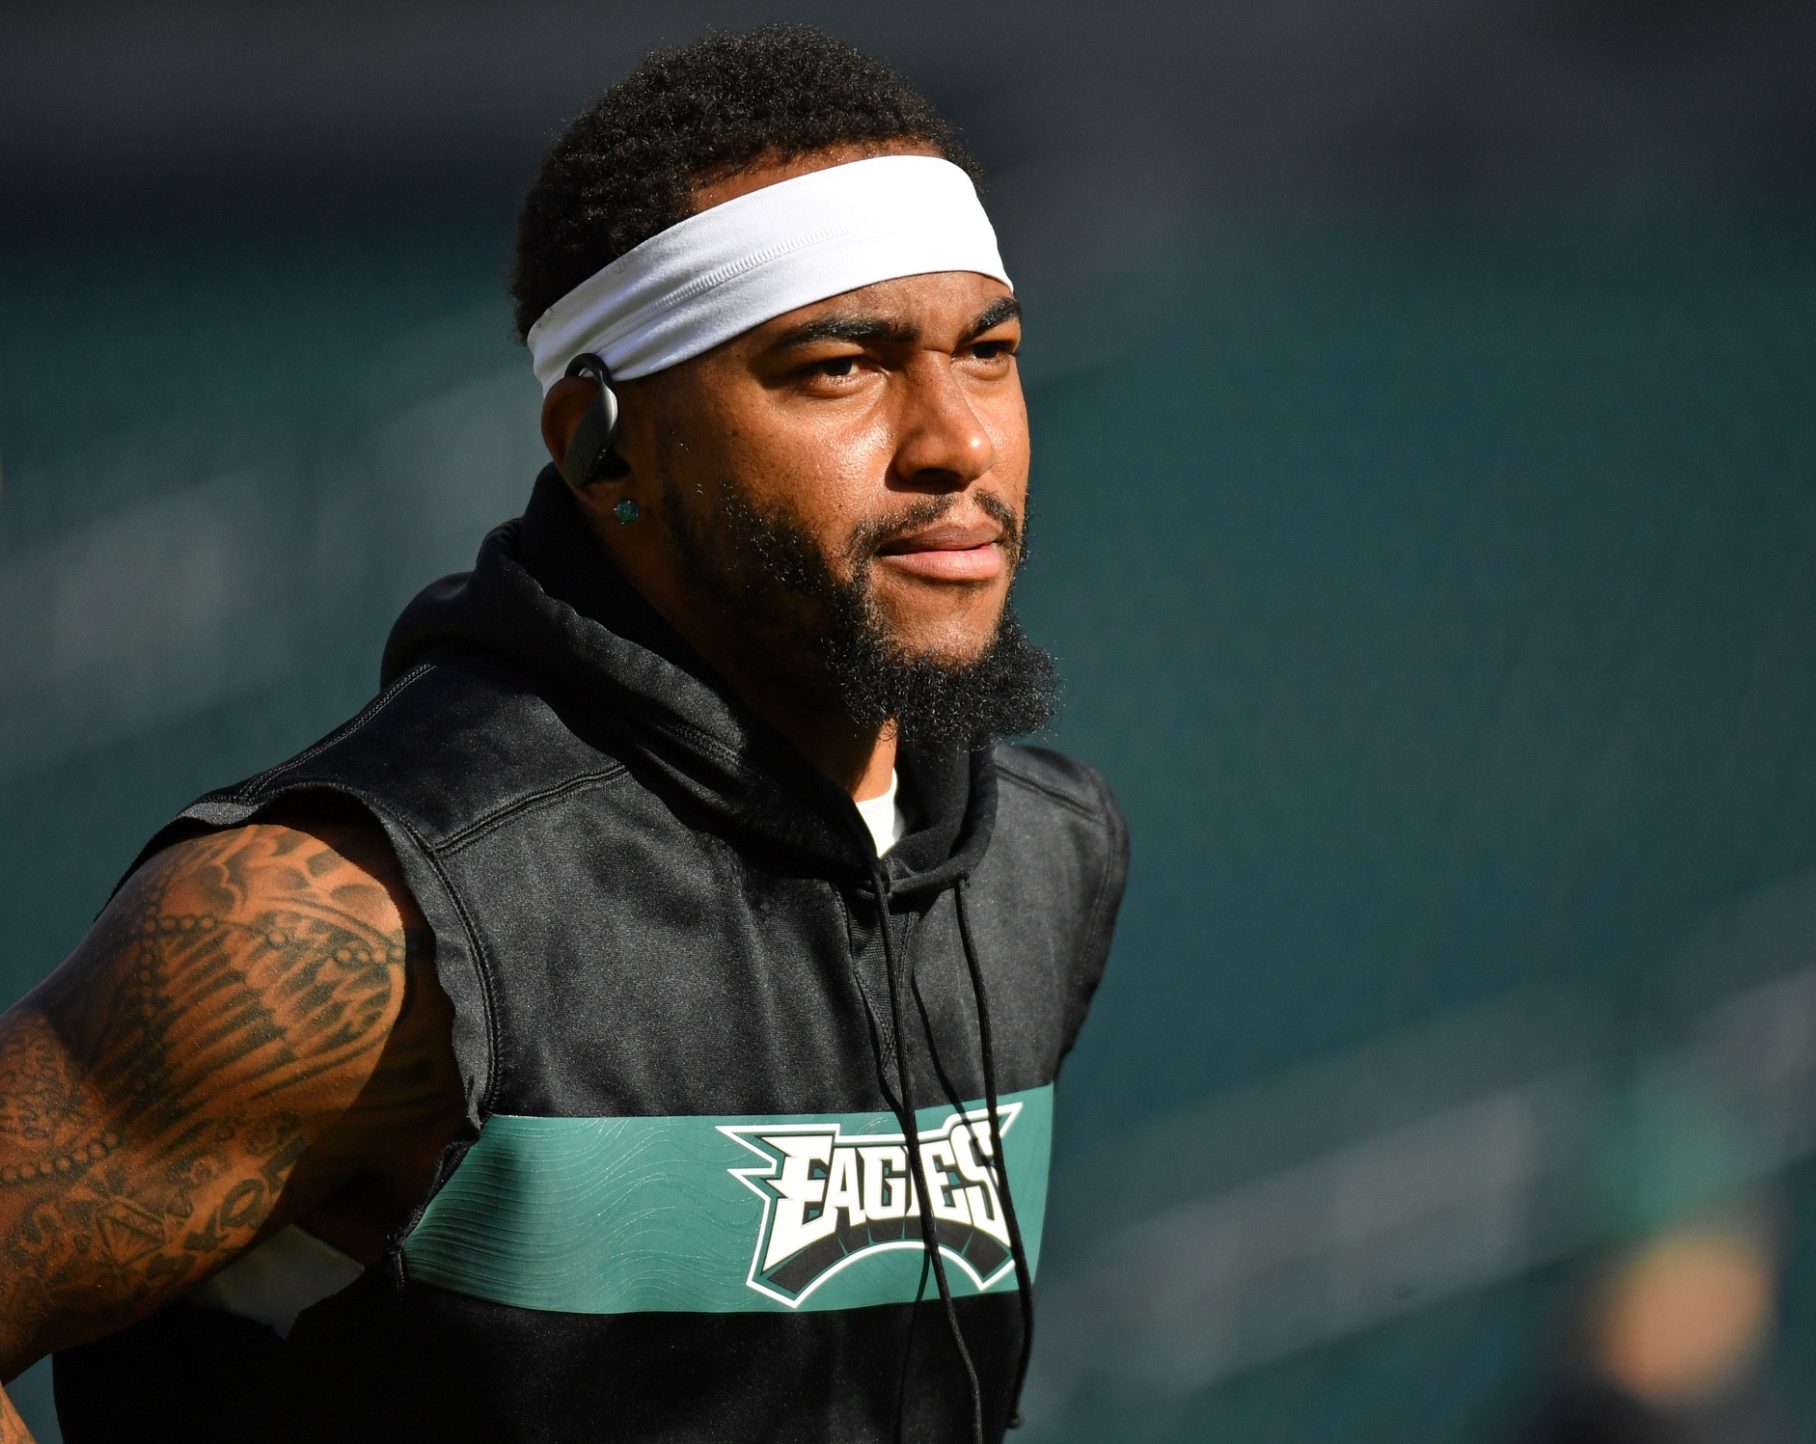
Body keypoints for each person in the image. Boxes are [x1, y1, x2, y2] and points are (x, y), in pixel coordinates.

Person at [0, 26, 1128, 1443]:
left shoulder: (1038, 857)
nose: (956, 439)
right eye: (841, 366)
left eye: (991, 351)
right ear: (603, 445)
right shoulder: (345, 922)